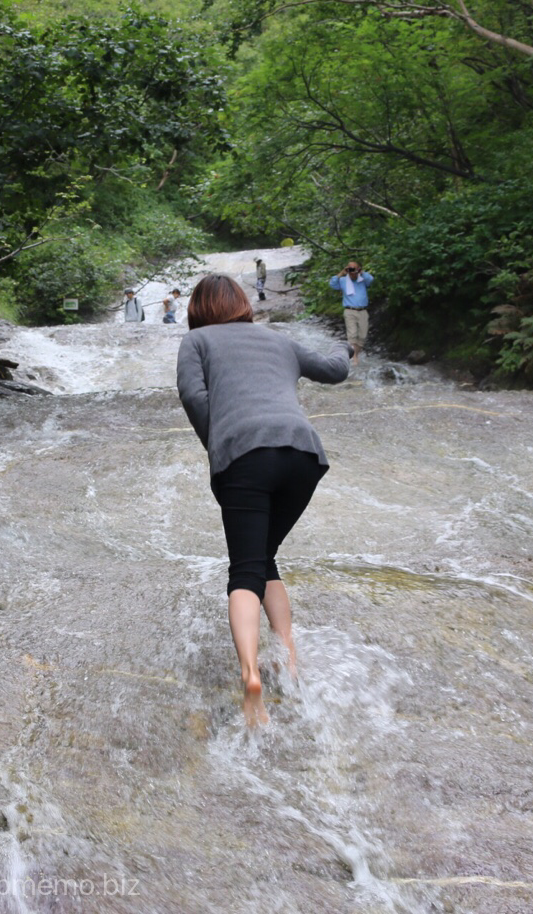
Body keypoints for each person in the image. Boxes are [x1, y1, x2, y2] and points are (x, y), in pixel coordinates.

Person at [176, 274, 351, 727]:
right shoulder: (278, 340)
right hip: (305, 456)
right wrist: (345, 349)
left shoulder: (197, 343)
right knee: (265, 557)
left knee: (245, 569)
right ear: (241, 304)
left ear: (197, 310)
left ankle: (251, 674)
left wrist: (221, 448)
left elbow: (195, 398)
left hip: (246, 457)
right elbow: (335, 371)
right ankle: (288, 658)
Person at [329, 260, 373, 366]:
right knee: (352, 335)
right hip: (349, 310)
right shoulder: (343, 280)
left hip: (363, 311)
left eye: (354, 268)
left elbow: (371, 280)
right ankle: (354, 358)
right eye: (350, 268)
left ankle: (355, 354)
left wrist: (361, 272)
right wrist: (341, 273)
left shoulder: (363, 280)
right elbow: (332, 284)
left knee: (362, 336)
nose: (352, 270)